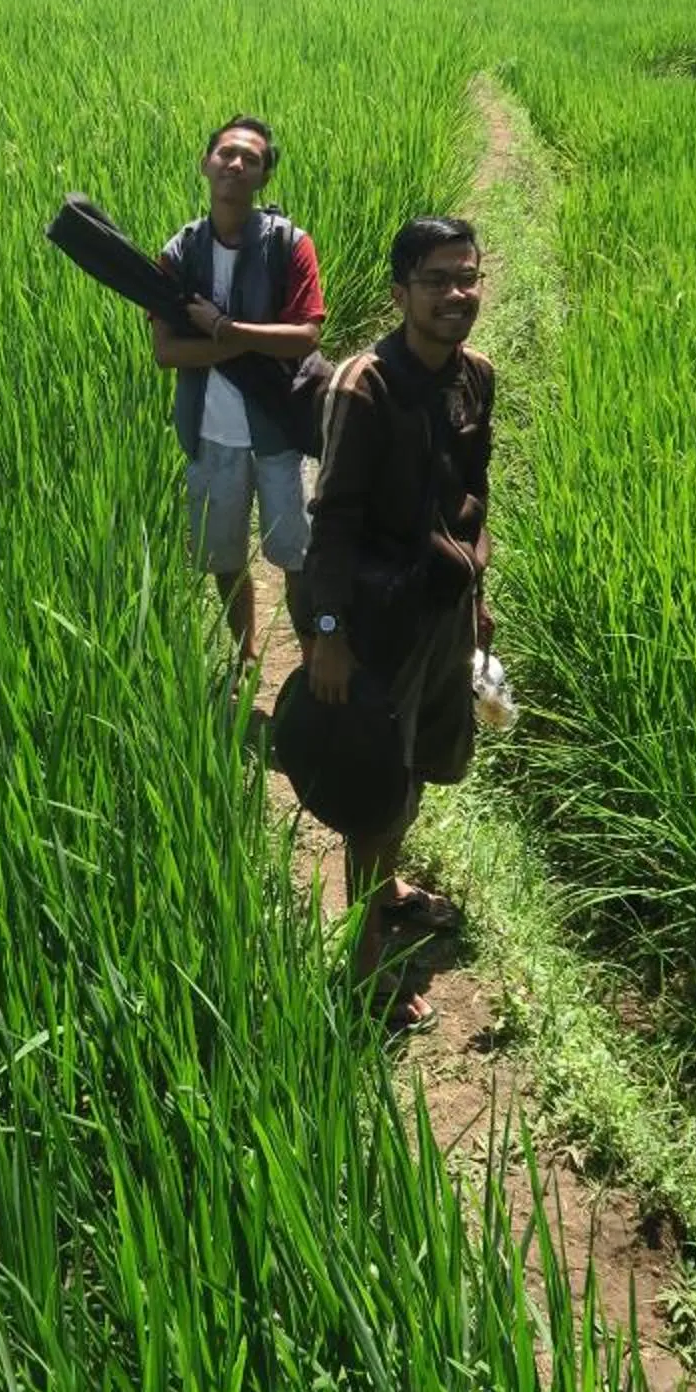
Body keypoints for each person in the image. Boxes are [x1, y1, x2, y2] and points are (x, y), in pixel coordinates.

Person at [300, 216, 494, 1031]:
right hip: (374, 617)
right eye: (436, 280)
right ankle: (366, 960)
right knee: (375, 787)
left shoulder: (476, 376)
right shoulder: (363, 385)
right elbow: (333, 519)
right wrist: (329, 632)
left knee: (416, 766)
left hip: (441, 609)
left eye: (467, 277)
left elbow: (473, 494)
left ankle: (387, 889)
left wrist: (478, 598)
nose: (456, 293)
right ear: (399, 293)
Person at [149, 117, 326, 672]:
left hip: (279, 429)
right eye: (226, 153)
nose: (236, 163)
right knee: (223, 557)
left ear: (264, 176)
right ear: (206, 163)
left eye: (251, 158)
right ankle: (248, 655)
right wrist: (244, 343)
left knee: (298, 556)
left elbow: (305, 335)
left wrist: (224, 329)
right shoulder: (179, 251)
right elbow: (166, 352)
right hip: (209, 432)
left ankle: (313, 661)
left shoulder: (290, 245)